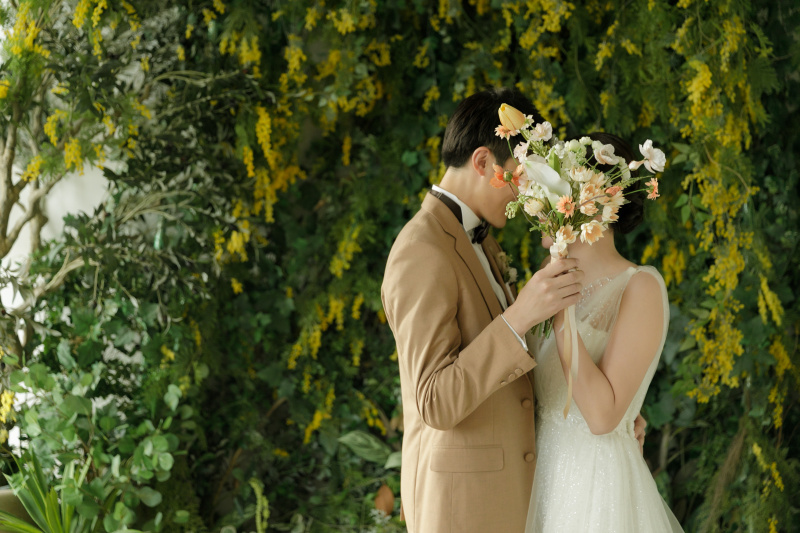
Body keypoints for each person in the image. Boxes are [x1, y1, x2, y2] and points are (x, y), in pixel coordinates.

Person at [382, 87, 587, 533]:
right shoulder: (421, 249)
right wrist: (518, 317)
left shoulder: (480, 239)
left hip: (505, 497)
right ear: (482, 163)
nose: (528, 190)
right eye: (522, 174)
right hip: (461, 509)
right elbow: (434, 400)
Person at [524, 132, 684, 532]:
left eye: (553, 190)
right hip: (541, 482)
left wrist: (563, 314)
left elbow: (601, 417)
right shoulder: (540, 285)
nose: (539, 205)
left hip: (597, 492)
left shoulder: (640, 287)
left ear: (593, 202)